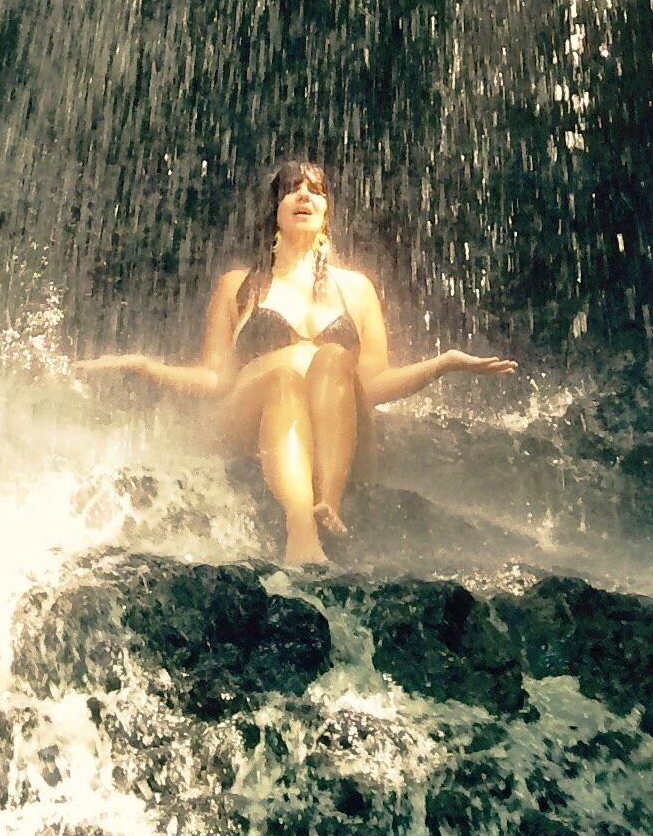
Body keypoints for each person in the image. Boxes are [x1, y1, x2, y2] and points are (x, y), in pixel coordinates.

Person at [81, 157, 516, 565]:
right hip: (257, 419)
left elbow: (372, 384)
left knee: (333, 357)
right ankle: (302, 529)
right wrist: (143, 367)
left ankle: (329, 500)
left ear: (327, 211)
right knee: (285, 375)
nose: (304, 195)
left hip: (337, 421)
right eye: (291, 189)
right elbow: (216, 378)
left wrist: (442, 365)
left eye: (316, 190)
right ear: (275, 210)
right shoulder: (239, 285)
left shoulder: (357, 289)